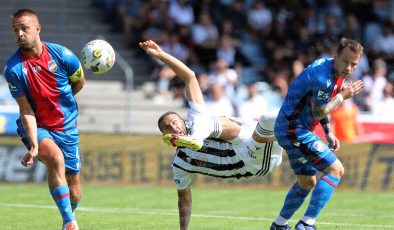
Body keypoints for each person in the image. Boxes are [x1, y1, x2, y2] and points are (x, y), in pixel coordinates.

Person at [139, 40, 283, 230]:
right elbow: (184, 199)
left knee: (277, 117)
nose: (173, 126)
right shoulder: (180, 165)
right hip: (251, 159)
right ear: (165, 136)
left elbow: (190, 76)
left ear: (183, 121)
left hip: (255, 140)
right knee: (269, 117)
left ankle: (317, 113)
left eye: (175, 121)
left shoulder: (195, 118)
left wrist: (160, 55)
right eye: (167, 127)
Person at [270, 38, 364, 230]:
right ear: (336, 56)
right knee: (336, 169)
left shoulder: (332, 70)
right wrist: (342, 97)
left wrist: (328, 132)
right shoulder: (324, 79)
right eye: (345, 61)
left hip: (290, 128)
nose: (348, 68)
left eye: (354, 64)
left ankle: (279, 225)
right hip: (294, 129)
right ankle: (307, 224)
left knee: (306, 181)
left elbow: (318, 106)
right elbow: (319, 111)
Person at [4, 9, 84, 230]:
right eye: (15, 30)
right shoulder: (13, 69)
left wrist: (59, 102)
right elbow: (26, 109)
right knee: (56, 159)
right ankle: (70, 223)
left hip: (67, 126)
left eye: (24, 28)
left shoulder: (63, 55)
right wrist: (34, 144)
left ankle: (67, 217)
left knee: (75, 187)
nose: (20, 34)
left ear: (37, 29)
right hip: (37, 125)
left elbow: (78, 82)